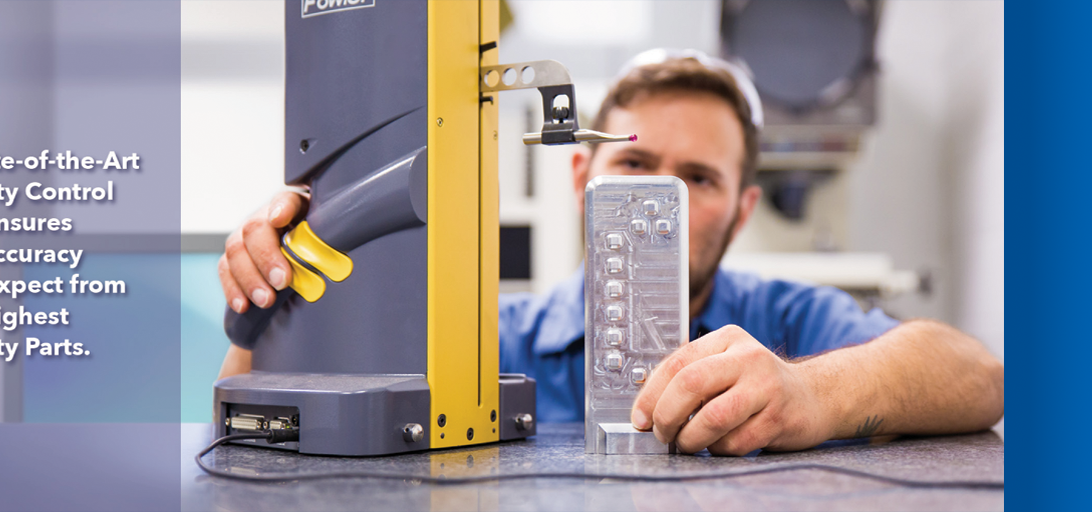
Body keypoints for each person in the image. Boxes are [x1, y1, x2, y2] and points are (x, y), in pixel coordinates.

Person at [215, 49, 1004, 456]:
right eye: (633, 163)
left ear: (743, 208)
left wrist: (812, 394)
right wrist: (268, 300)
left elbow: (975, 375)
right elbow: (259, 435)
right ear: (580, 174)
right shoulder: (485, 339)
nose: (658, 203)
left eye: (698, 178)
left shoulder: (785, 322)